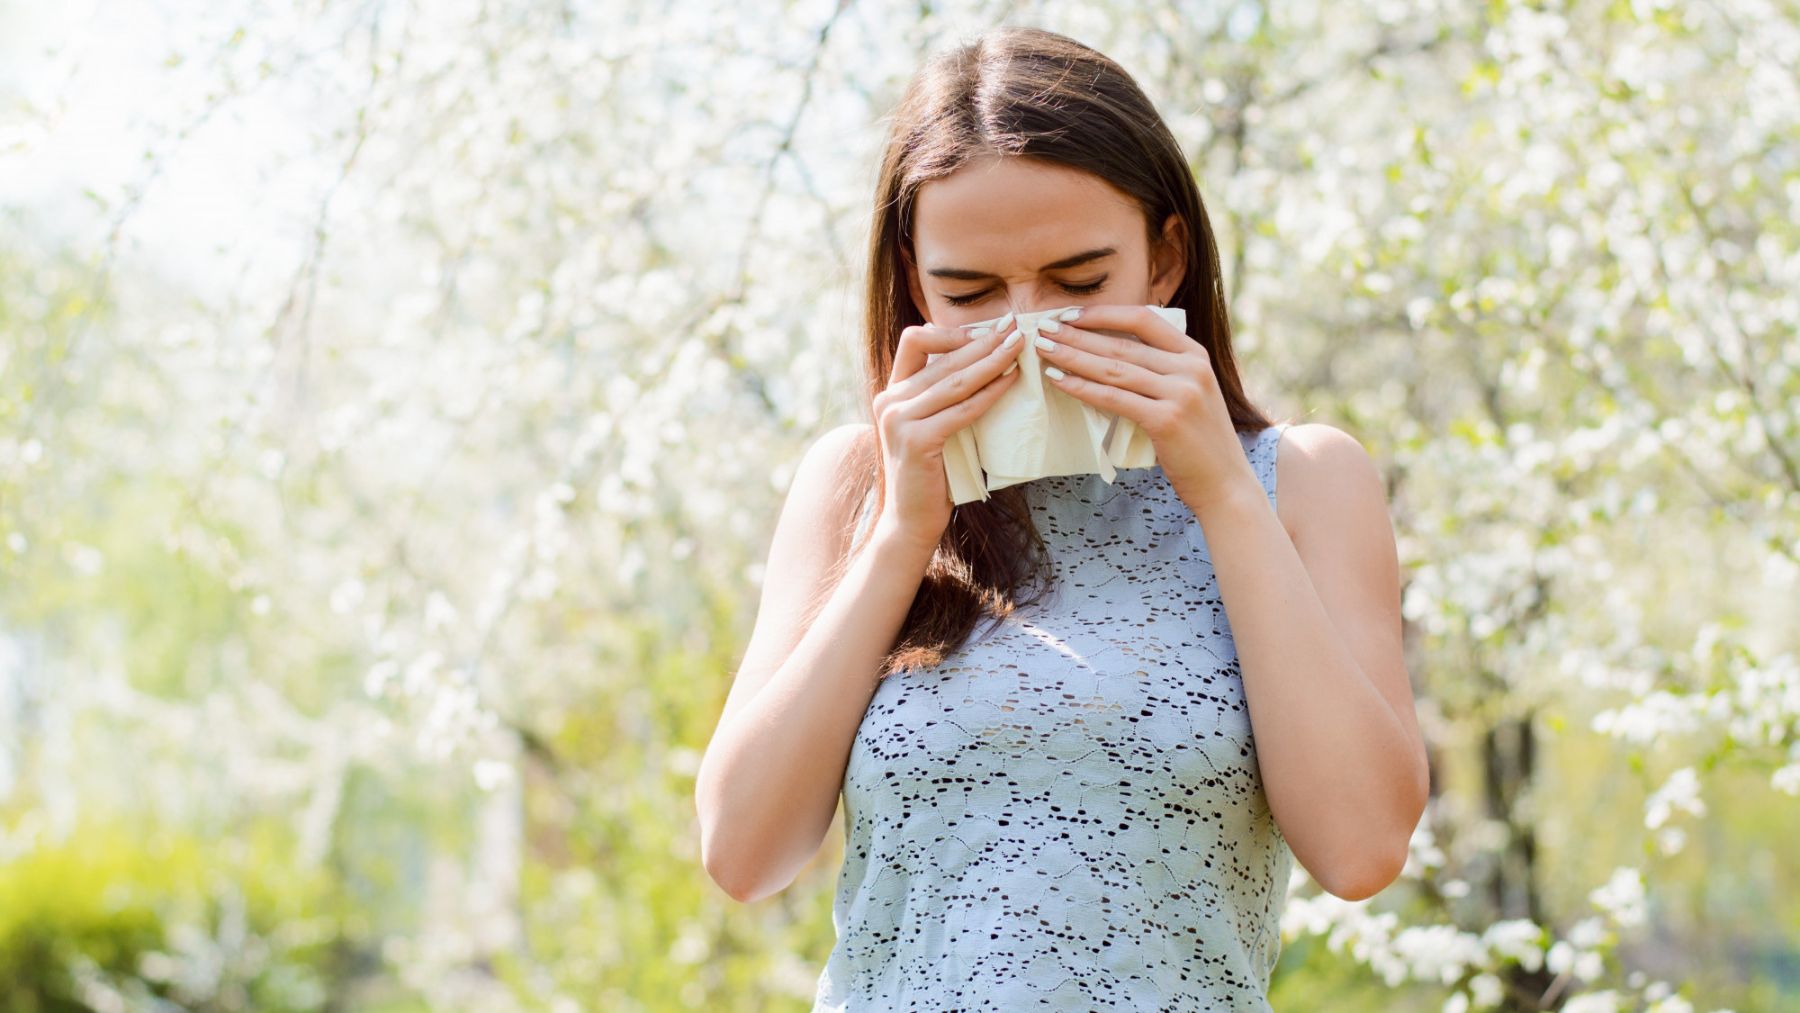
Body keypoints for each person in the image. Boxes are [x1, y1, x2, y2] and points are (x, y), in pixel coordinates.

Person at [695, 25, 1428, 1011]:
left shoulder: (1302, 480)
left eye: (1080, 283)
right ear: (915, 279)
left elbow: (1363, 844)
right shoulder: (853, 484)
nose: (1026, 329)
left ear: (1166, 259)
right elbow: (744, 852)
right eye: (971, 292)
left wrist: (1219, 491)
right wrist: (902, 533)